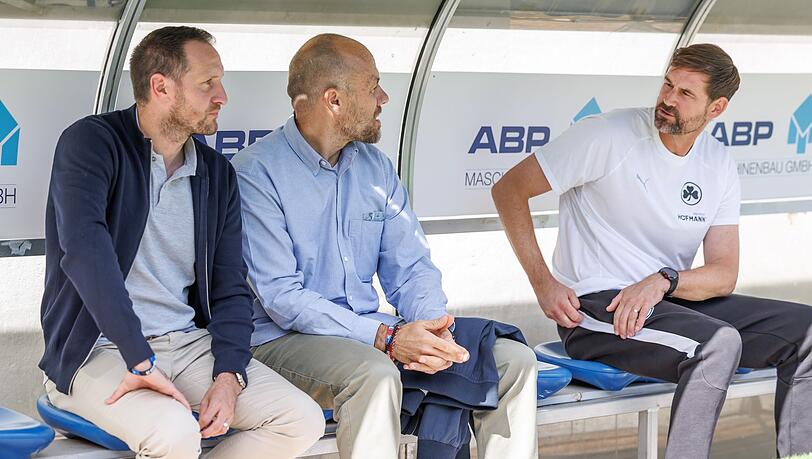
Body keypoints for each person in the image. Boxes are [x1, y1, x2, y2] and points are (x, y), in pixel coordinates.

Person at [492, 43, 812, 458]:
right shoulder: (608, 134)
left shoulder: (718, 163)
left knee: (806, 332)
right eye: (668, 84)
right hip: (596, 306)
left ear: (716, 108)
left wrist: (664, 280)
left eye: (686, 93)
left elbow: (723, 273)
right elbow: (509, 189)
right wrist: (544, 283)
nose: (668, 99)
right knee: (717, 345)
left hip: (669, 302)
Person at [231, 33, 539, 459]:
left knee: (513, 362)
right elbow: (283, 299)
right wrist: (386, 338)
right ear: (334, 100)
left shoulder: (375, 166)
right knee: (374, 374)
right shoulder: (255, 172)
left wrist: (432, 329)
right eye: (373, 86)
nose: (384, 98)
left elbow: (410, 268)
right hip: (283, 340)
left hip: (371, 333)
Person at [39, 26, 324, 459]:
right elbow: (85, 253)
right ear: (161, 87)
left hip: (188, 346)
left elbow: (230, 286)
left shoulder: (216, 173)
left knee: (300, 420)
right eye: (207, 83)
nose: (222, 96)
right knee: (174, 433)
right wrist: (138, 356)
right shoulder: (92, 143)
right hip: (98, 349)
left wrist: (229, 375)